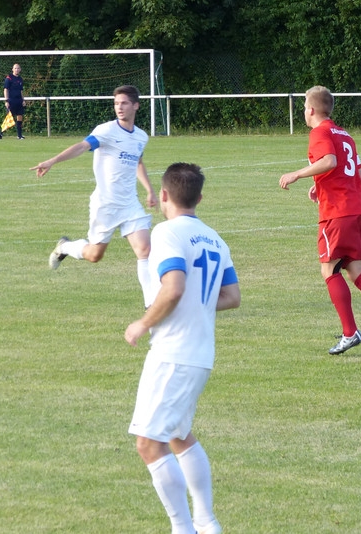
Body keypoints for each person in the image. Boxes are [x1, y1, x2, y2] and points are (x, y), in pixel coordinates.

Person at [124, 162, 240, 534]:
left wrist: (143, 322)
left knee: (149, 443)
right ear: (200, 198)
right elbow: (231, 297)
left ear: (162, 196)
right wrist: (196, 303)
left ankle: (183, 528)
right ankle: (206, 522)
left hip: (173, 353)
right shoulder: (214, 238)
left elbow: (172, 288)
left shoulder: (166, 233)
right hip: (200, 354)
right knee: (177, 435)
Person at [279, 86, 361, 355]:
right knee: (354, 269)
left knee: (329, 271)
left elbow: (329, 160)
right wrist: (320, 184)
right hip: (358, 209)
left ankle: (351, 333)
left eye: (304, 106)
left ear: (311, 110)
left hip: (337, 212)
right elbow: (357, 175)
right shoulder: (345, 135)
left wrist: (298, 174)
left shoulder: (320, 132)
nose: (304, 110)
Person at [31, 85, 157, 291]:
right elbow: (82, 146)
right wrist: (52, 161)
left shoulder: (141, 137)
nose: (119, 107)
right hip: (105, 205)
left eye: (124, 103)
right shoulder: (106, 131)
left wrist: (150, 190)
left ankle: (150, 304)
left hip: (130, 204)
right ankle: (64, 246)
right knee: (94, 255)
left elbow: (138, 162)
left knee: (145, 250)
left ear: (136, 105)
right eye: (116, 103)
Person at [0, 63, 25, 139]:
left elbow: (21, 91)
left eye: (18, 68)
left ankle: (19, 135)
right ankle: (0, 133)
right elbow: (5, 89)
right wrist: (6, 101)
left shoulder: (20, 79)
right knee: (9, 118)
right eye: (15, 68)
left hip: (19, 101)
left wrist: (23, 100)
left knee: (20, 117)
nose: (17, 70)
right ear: (12, 69)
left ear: (20, 69)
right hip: (11, 101)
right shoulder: (9, 78)